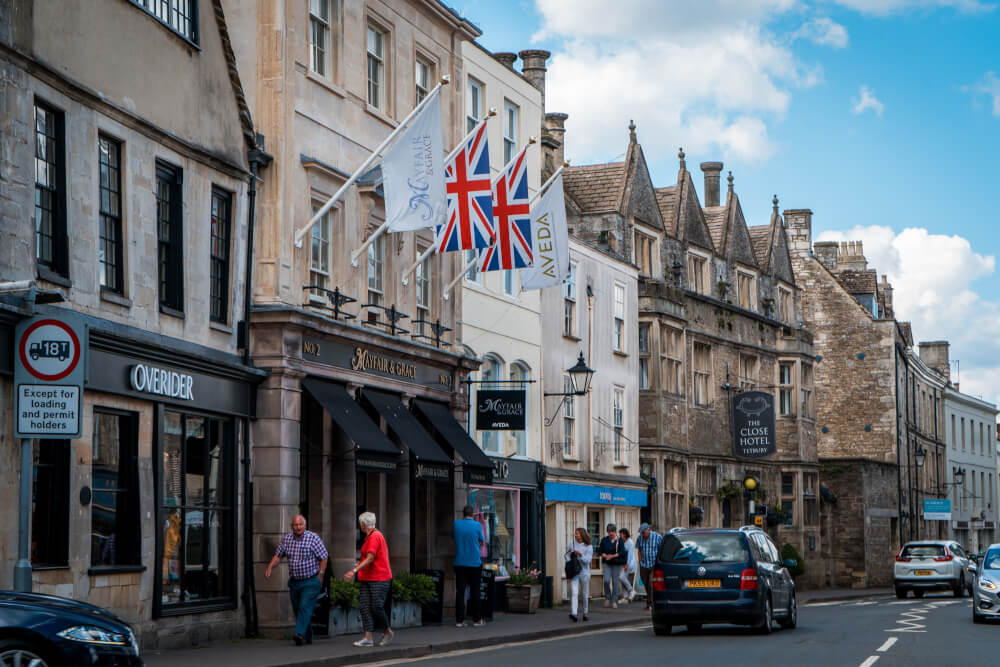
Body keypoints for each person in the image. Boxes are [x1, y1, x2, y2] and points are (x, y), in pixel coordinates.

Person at [264, 515, 328, 646]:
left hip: (311, 580)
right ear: (291, 526)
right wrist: (270, 566)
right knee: (299, 609)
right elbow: (278, 555)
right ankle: (308, 635)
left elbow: (324, 557)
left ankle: (298, 634)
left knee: (304, 606)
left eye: (300, 524)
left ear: (305, 525)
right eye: (295, 525)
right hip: (295, 581)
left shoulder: (313, 538)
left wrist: (320, 575)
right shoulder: (287, 539)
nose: (298, 527)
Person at [344, 512, 393, 647]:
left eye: (361, 524)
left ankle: (387, 631)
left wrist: (354, 570)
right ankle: (368, 638)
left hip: (379, 577)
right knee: (365, 606)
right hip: (367, 577)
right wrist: (359, 564)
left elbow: (371, 558)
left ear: (363, 524)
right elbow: (369, 558)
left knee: (376, 606)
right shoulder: (370, 537)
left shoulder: (375, 536)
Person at [454, 504, 487, 628]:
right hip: (474, 562)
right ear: (472, 514)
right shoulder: (477, 525)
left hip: (460, 562)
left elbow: (455, 538)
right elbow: (482, 541)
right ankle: (476, 619)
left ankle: (459, 621)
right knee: (475, 590)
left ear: (463, 513)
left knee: (460, 591)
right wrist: (477, 545)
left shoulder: (456, 524)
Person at [565, 527, 593, 622]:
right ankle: (574, 613)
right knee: (574, 592)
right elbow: (567, 555)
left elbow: (588, 561)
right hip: (574, 572)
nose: (575, 535)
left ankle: (585, 613)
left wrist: (580, 555)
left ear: (582, 535)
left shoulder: (588, 546)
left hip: (584, 572)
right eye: (575, 533)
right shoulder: (571, 544)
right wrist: (569, 562)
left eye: (577, 533)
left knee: (584, 594)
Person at [634, 523, 663, 610]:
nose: (642, 534)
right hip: (644, 564)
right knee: (646, 584)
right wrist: (640, 561)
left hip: (654, 564)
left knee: (651, 584)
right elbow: (639, 550)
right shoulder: (640, 538)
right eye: (641, 533)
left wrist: (659, 562)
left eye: (643, 532)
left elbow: (661, 549)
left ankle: (651, 603)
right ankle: (650, 601)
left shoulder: (657, 537)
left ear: (648, 530)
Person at [598, 523, 626, 608]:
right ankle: (607, 597)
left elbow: (622, 551)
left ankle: (614, 600)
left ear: (615, 531)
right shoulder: (604, 540)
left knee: (615, 582)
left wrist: (613, 556)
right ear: (607, 531)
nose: (611, 533)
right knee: (606, 580)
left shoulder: (620, 540)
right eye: (609, 531)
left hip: (616, 563)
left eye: (612, 531)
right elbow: (599, 551)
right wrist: (606, 556)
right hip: (606, 563)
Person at [618, 527, 636, 603]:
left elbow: (630, 555)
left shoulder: (630, 542)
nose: (620, 536)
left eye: (621, 534)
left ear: (625, 534)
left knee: (621, 577)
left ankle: (631, 590)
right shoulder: (623, 542)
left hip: (629, 564)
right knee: (623, 579)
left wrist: (627, 564)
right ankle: (625, 597)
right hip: (624, 563)